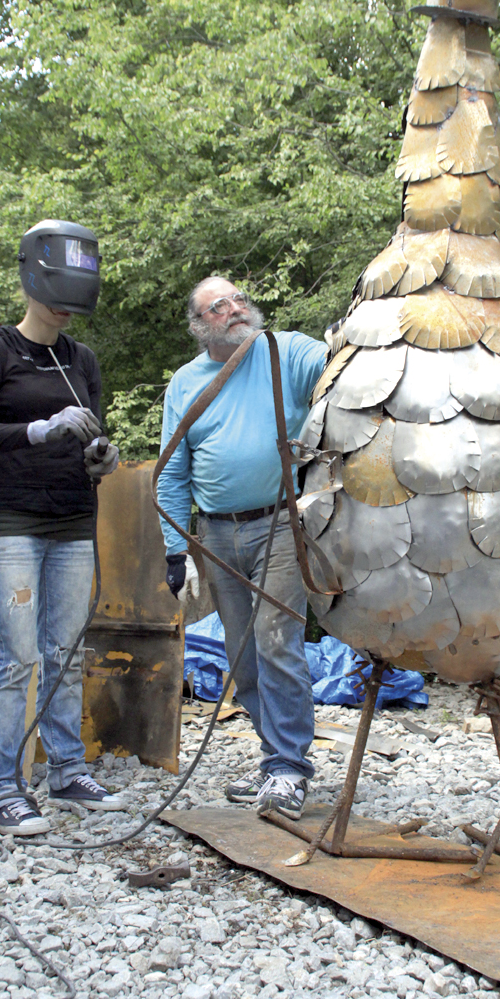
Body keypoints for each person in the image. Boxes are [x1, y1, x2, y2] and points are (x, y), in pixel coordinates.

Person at [0, 219, 122, 836]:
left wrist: (99, 455)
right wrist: (39, 429)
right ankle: (0, 783)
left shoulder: (82, 359)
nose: (65, 312)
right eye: (57, 299)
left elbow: (96, 431)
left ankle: (67, 771)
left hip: (73, 520)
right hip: (12, 523)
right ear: (32, 282)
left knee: (65, 651)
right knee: (17, 654)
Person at [158, 276, 326, 820]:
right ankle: (273, 759)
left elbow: (342, 368)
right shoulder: (185, 382)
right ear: (199, 324)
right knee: (243, 656)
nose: (235, 309)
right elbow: (171, 472)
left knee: (278, 642)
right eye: (219, 305)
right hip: (215, 535)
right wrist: (175, 550)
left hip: (280, 523)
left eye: (239, 300)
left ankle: (289, 769)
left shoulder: (286, 351)